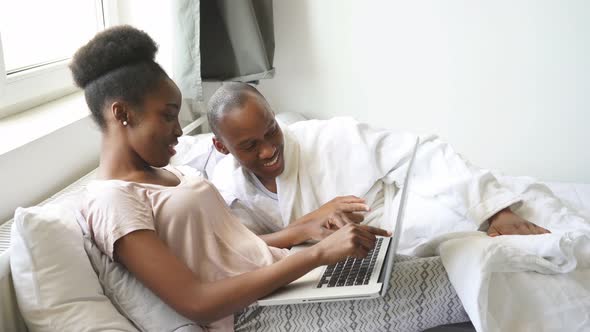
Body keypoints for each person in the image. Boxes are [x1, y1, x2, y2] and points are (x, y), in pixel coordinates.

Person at [73, 26, 467, 331]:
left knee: (457, 252)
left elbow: (228, 251)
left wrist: (303, 230)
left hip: (288, 278)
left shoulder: (165, 172)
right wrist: (318, 253)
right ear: (122, 113)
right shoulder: (113, 201)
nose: (179, 130)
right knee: (472, 276)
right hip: (256, 315)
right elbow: (196, 301)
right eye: (168, 114)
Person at [207, 82, 554, 254]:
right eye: (250, 146)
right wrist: (304, 228)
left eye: (271, 131)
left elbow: (423, 154)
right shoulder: (225, 190)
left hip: (393, 221)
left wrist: (497, 211)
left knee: (506, 240)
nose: (269, 150)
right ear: (222, 147)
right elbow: (240, 249)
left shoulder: (333, 137)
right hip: (321, 262)